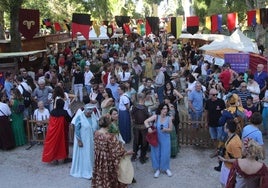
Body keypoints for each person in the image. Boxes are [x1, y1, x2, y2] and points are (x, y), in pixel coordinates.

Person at [91, 115, 134, 188]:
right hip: (108, 159)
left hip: (100, 158)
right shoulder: (110, 136)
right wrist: (127, 153)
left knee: (101, 172)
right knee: (110, 175)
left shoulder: (96, 133)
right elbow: (116, 152)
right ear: (109, 124)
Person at [144, 103, 173, 178]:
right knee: (156, 153)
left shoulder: (169, 118)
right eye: (163, 108)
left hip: (165, 138)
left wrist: (166, 129)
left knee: (165, 154)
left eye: (166, 109)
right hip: (156, 138)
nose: (165, 110)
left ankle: (166, 168)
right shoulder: (156, 117)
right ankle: (157, 169)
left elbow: (171, 129)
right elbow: (146, 121)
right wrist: (148, 128)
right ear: (160, 109)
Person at [70, 104, 99, 179]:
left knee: (91, 154)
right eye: (88, 111)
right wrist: (79, 141)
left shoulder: (93, 116)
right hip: (83, 140)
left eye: (91, 111)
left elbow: (96, 127)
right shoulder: (79, 117)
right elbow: (77, 130)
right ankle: (86, 171)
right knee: (85, 155)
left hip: (92, 140)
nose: (90, 112)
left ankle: (92, 170)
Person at [42, 98, 72, 164]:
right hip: (62, 132)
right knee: (63, 144)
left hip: (53, 132)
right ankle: (64, 158)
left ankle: (54, 158)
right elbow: (70, 120)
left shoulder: (52, 112)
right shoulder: (64, 112)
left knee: (54, 144)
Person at [218, 119, 242, 187]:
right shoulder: (232, 136)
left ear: (228, 129)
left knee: (227, 185)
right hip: (226, 165)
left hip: (230, 168)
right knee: (223, 183)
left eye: (225, 126)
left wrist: (225, 160)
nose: (223, 127)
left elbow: (238, 159)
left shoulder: (234, 143)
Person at [205, 88, 226, 158]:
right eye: (214, 95)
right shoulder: (208, 102)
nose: (215, 96)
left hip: (219, 124)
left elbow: (224, 112)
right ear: (210, 95)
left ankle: (220, 151)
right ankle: (216, 150)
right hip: (211, 123)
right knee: (214, 138)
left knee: (220, 138)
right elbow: (206, 112)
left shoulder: (221, 102)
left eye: (216, 94)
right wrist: (206, 122)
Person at [130, 93, 150, 163]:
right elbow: (148, 117)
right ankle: (142, 158)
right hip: (143, 128)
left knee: (136, 142)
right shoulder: (145, 108)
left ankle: (134, 156)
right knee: (144, 143)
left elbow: (132, 116)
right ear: (144, 99)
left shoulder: (134, 107)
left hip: (136, 127)